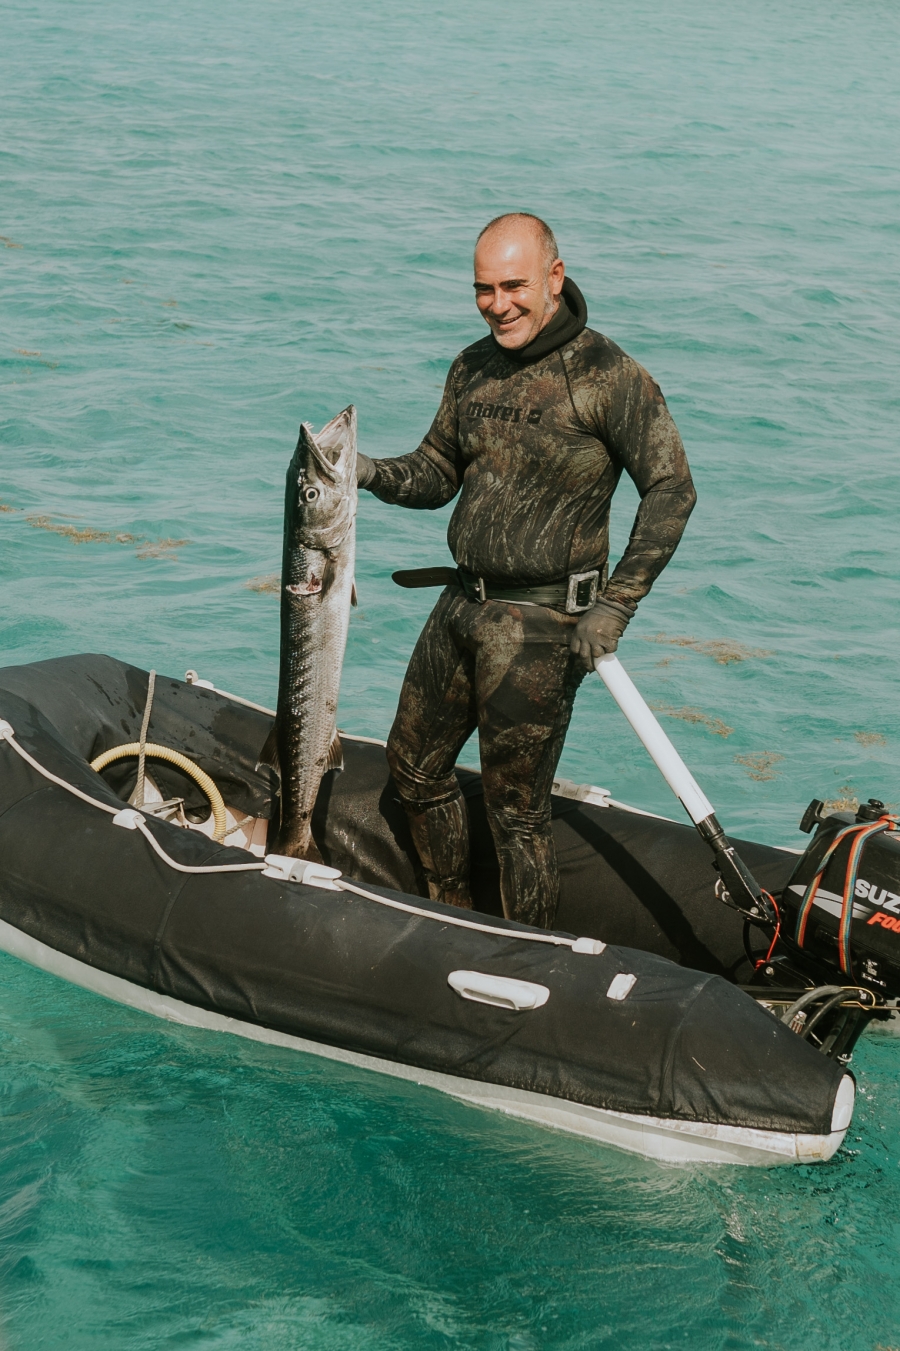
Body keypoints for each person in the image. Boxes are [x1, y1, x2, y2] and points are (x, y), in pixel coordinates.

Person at [356, 213, 696, 928]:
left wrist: (617, 605)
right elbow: (436, 471)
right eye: (483, 288)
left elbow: (671, 489)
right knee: (414, 769)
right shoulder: (471, 366)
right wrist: (364, 472)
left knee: (517, 813)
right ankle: (449, 917)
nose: (498, 303)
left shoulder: (610, 377)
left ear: (555, 278)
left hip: (541, 624)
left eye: (513, 285)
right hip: (460, 604)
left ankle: (525, 956)